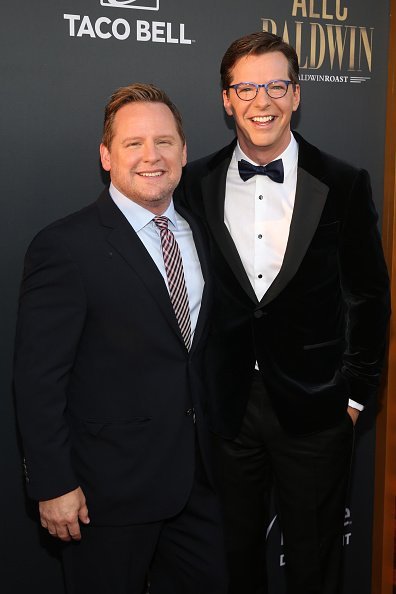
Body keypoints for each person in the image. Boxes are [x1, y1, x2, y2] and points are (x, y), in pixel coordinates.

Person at [175, 32, 390, 594]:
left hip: (316, 409)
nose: (261, 101)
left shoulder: (341, 182)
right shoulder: (195, 182)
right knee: (233, 560)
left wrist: (353, 399)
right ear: (227, 100)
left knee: (316, 563)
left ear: (296, 95)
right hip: (228, 411)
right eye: (246, 88)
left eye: (275, 85)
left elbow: (369, 296)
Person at [14, 83, 226, 594]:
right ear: (106, 156)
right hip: (105, 495)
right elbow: (38, 378)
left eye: (165, 142)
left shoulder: (206, 233)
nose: (152, 156)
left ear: (184, 152)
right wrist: (53, 483)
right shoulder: (65, 247)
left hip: (203, 484)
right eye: (134, 144)